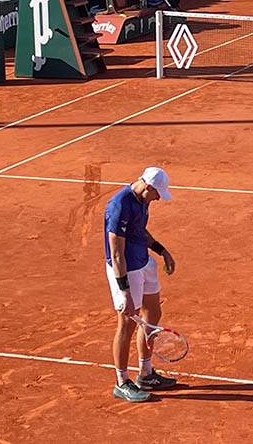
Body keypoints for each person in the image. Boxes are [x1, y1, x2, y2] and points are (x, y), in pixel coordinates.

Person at [104, 166, 178, 402]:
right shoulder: (119, 205)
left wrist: (161, 250)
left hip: (143, 263)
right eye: (157, 194)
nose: (158, 198)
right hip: (126, 269)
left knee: (153, 312)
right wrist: (124, 290)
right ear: (147, 187)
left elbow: (139, 231)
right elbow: (116, 253)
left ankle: (145, 374)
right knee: (127, 323)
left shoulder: (142, 200)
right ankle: (122, 381)